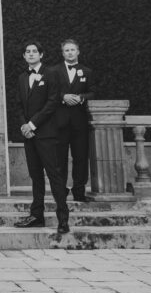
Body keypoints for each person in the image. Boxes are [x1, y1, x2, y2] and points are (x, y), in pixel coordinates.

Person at [12, 41, 69, 233]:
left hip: (47, 134)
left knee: (54, 176)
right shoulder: (22, 77)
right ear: (24, 56)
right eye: (27, 52)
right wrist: (24, 126)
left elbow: (52, 103)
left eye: (34, 51)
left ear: (41, 54)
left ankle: (63, 219)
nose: (31, 54)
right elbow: (19, 105)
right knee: (35, 176)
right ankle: (37, 216)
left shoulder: (51, 74)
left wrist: (32, 124)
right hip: (29, 135)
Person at [48, 38, 98, 202]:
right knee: (59, 159)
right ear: (63, 53)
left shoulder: (87, 71)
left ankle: (79, 192)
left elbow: (93, 92)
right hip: (59, 122)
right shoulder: (53, 71)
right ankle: (60, 192)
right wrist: (63, 97)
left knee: (81, 157)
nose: (70, 53)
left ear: (78, 52)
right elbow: (49, 93)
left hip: (79, 121)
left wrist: (81, 97)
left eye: (72, 50)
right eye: (66, 50)